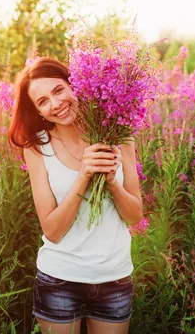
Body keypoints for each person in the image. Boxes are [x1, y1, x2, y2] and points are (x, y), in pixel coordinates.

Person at [8, 57, 143, 334]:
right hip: (59, 279)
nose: (55, 104)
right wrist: (84, 175)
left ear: (75, 85)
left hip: (114, 278)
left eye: (58, 91)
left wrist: (111, 183)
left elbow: (134, 215)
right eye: (43, 101)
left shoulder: (119, 135)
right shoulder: (37, 149)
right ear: (39, 112)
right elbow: (53, 230)